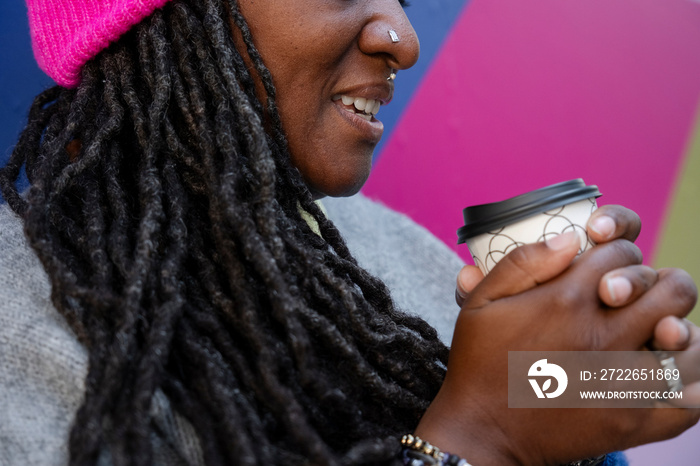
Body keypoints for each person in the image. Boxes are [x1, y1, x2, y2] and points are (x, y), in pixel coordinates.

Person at [0, 0, 698, 465]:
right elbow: (485, 432)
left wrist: (583, 398)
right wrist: (480, 435)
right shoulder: (16, 325)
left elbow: (534, 410)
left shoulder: (390, 252)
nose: (403, 38)